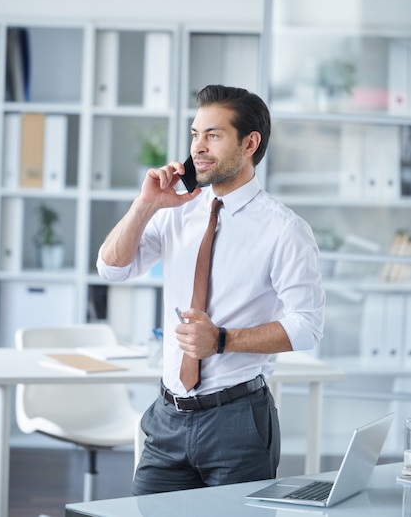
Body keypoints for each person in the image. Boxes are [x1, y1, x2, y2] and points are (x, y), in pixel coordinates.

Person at [96, 84, 325, 495]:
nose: (198, 148)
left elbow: (307, 326)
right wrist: (145, 205)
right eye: (194, 135)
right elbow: (112, 269)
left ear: (250, 143)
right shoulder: (175, 210)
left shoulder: (285, 230)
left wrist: (221, 339)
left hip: (237, 420)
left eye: (213, 135)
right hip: (168, 416)